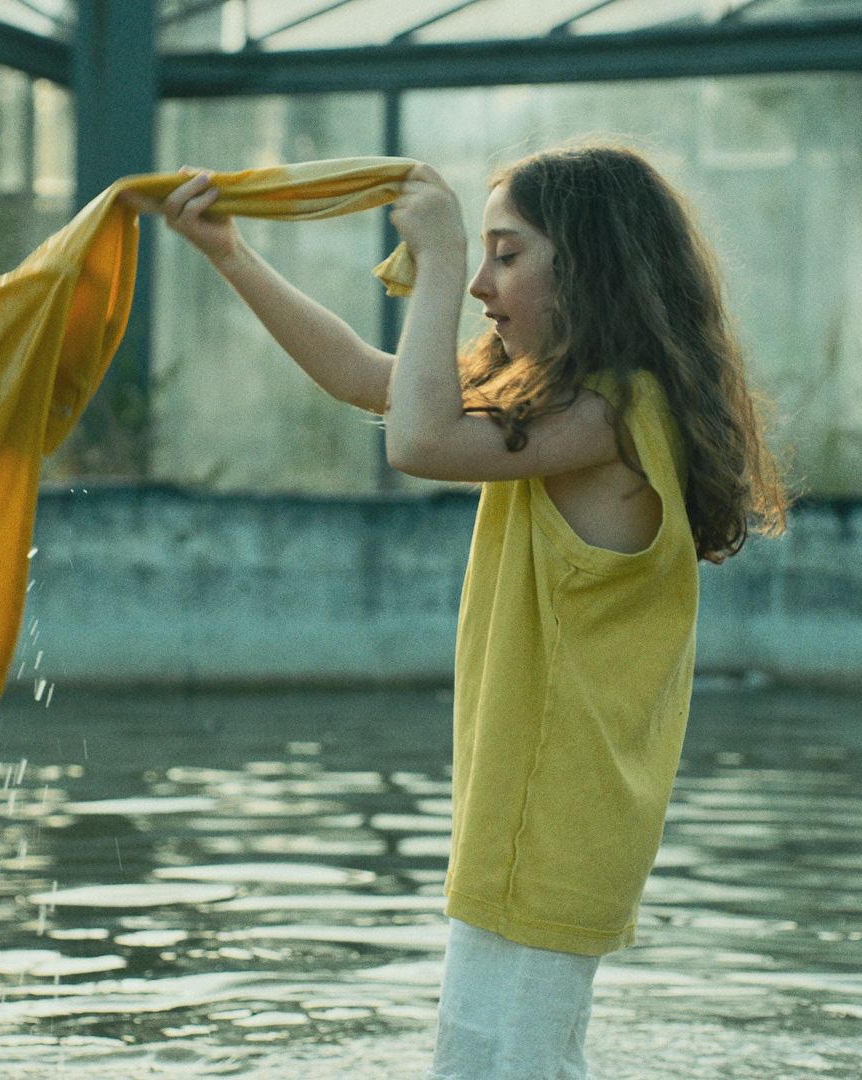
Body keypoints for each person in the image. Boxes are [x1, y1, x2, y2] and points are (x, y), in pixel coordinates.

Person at [127, 142, 788, 1080]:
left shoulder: (608, 419)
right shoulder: (578, 402)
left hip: (545, 829)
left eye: (506, 254)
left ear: (591, 266)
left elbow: (419, 438)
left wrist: (433, 259)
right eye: (476, 255)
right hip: (549, 828)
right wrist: (231, 256)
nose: (481, 282)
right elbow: (372, 380)